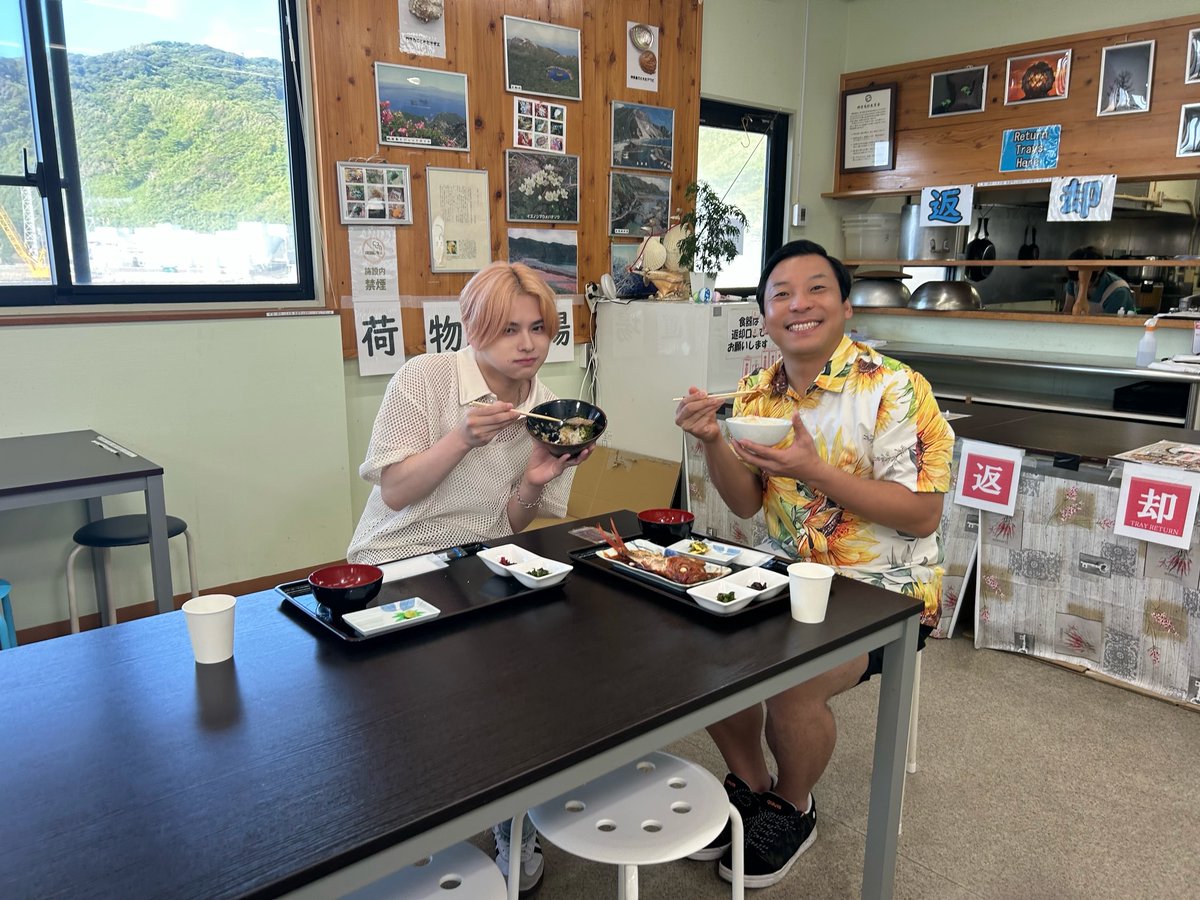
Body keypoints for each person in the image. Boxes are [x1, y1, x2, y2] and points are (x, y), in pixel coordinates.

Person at [674, 240, 955, 889]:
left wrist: (815, 472)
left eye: (816, 288)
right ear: (766, 315)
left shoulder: (895, 390)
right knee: (707, 646)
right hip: (789, 575)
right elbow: (746, 504)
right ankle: (751, 784)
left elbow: (922, 516)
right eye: (781, 293)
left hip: (888, 591)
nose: (798, 303)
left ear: (845, 305)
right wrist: (715, 439)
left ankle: (793, 805)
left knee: (791, 680)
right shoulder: (756, 394)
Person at [347, 260, 590, 895]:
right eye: (509, 329)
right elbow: (396, 492)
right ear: (473, 327)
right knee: (409, 706)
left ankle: (511, 817)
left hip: (482, 560)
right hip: (395, 558)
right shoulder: (424, 378)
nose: (528, 344)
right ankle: (399, 827)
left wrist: (536, 480)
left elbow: (514, 521)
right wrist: (459, 438)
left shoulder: (549, 408)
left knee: (522, 685)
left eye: (539, 328)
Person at [1063, 246, 1136, 315]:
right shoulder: (1073, 280)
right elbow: (1067, 311)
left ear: (1099, 271)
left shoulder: (1118, 291)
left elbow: (1110, 324)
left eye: (1088, 282)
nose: (1079, 284)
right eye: (1076, 281)